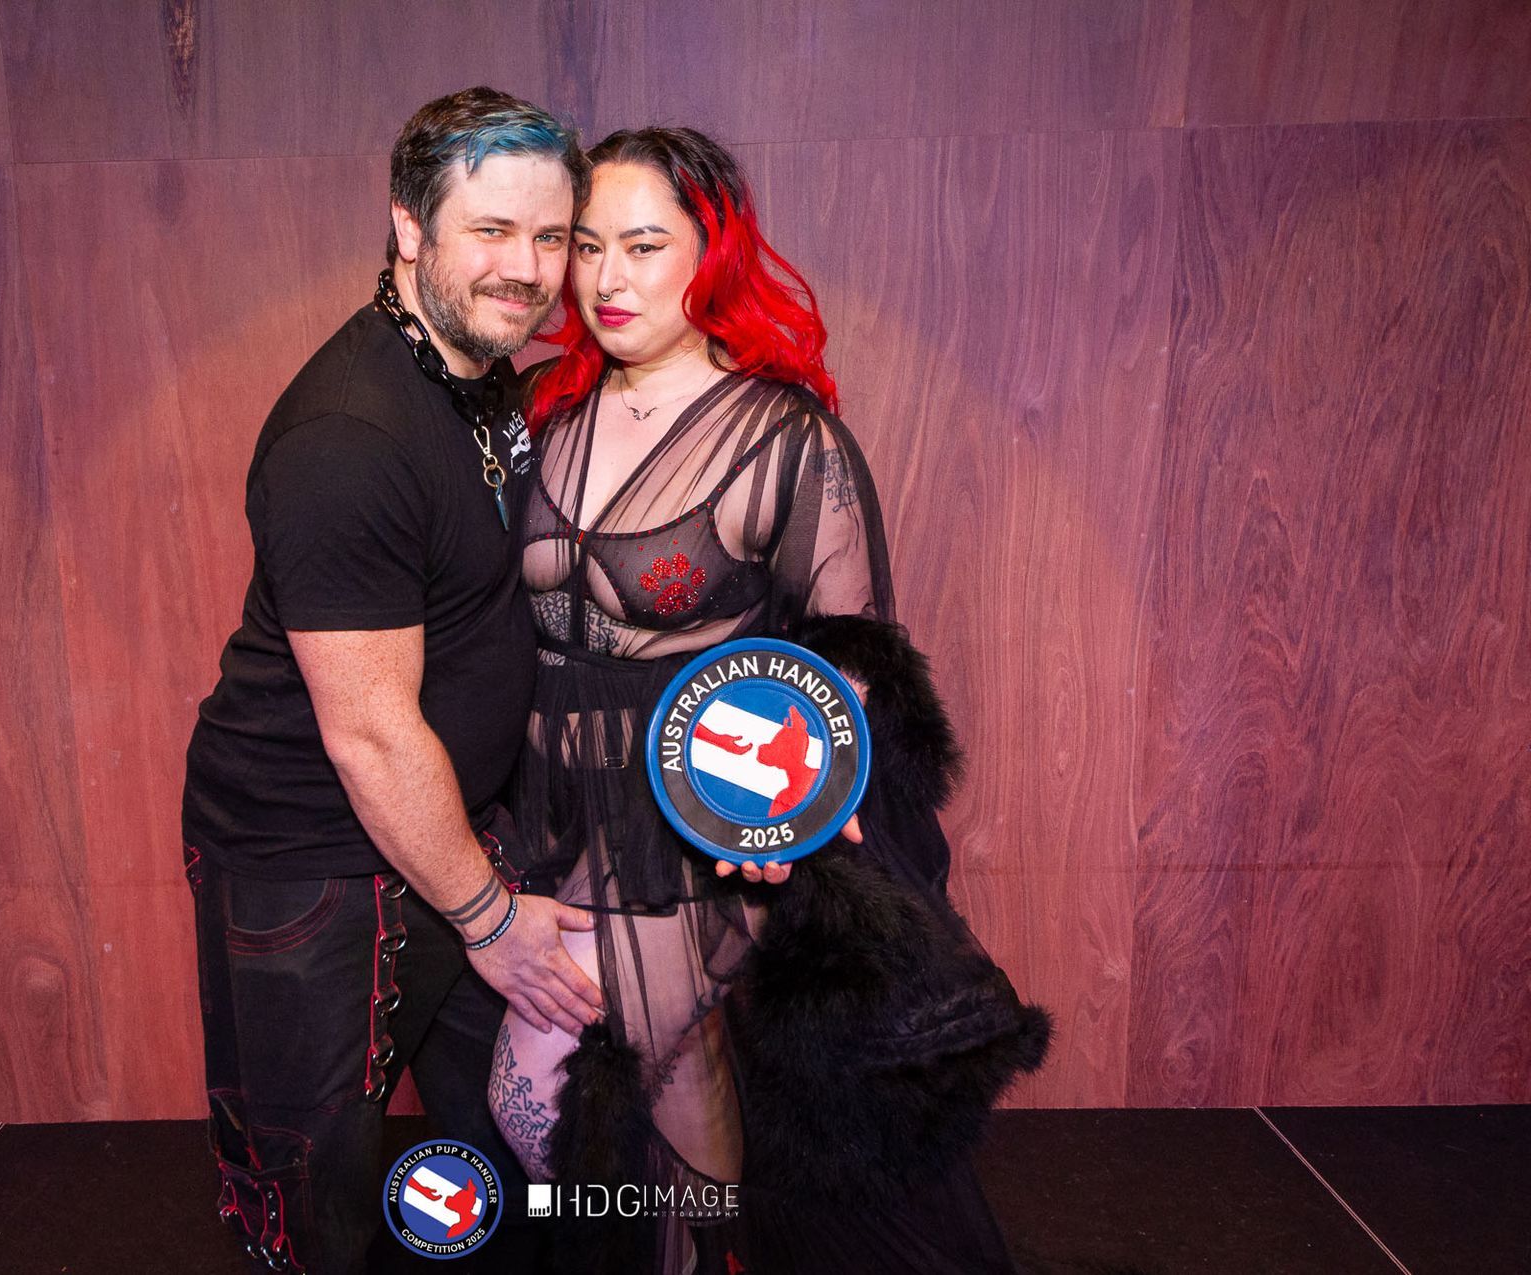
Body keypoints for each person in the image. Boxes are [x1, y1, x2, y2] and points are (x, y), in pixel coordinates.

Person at [488, 127, 1052, 1274]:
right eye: (587, 246)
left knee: (566, 1091)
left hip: (691, 825)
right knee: (636, 1090)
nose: (607, 278)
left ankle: (705, 1249)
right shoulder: (544, 411)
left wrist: (797, 817)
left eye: (645, 246)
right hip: (549, 816)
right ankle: (705, 1251)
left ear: (714, 252)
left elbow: (851, 660)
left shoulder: (787, 441)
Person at [180, 87, 605, 1275]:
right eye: (492, 230)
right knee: (317, 1188)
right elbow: (369, 733)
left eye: (551, 235)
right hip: (310, 857)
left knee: (521, 1149)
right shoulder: (349, 436)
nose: (529, 269)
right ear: (410, 227)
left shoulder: (480, 373)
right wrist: (490, 920)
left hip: (444, 833)